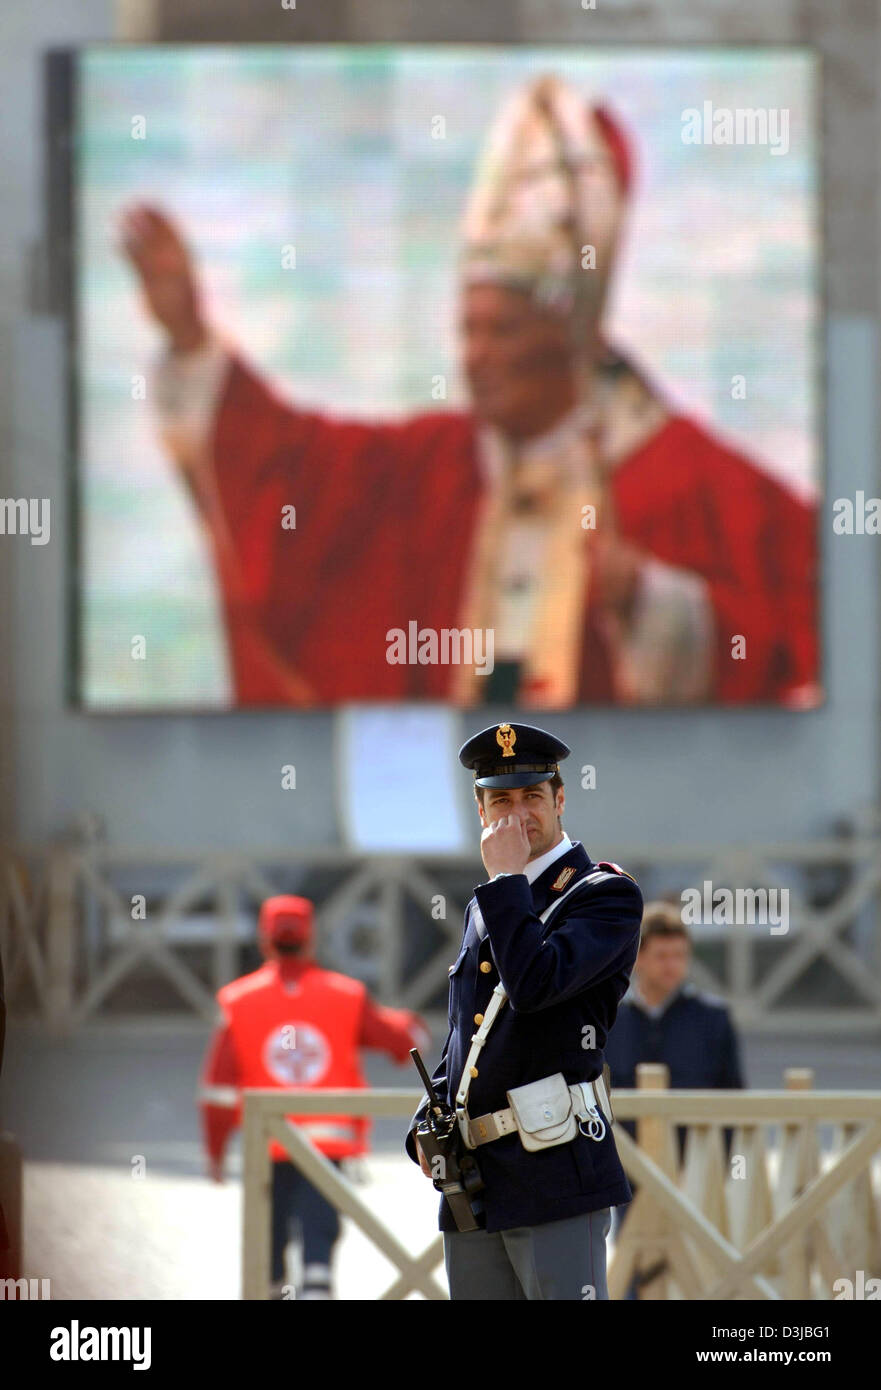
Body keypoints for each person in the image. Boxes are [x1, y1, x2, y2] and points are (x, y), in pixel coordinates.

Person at [119, 75, 818, 709]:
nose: (475, 358)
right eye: (467, 331)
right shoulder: (427, 467)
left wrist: (654, 606)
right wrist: (189, 339)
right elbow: (284, 467)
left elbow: (804, 644)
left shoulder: (687, 480)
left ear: (570, 342)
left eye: (502, 333)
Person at [405, 721, 643, 1300]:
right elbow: (471, 1027)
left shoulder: (601, 895)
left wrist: (507, 878)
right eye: (501, 801)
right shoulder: (491, 902)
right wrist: (428, 1114)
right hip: (477, 1179)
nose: (518, 817)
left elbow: (536, 985)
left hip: (555, 1166)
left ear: (560, 800)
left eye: (533, 797)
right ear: (480, 809)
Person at [199, 894, 429, 1299]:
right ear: (311, 939)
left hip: (266, 1146)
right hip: (329, 1142)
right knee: (319, 1226)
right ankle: (317, 1283)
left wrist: (216, 1153)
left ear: (265, 941)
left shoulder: (237, 1002)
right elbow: (400, 1044)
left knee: (269, 1235)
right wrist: (413, 1026)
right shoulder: (346, 994)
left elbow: (218, 1093)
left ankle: (271, 1285)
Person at [604, 901, 745, 1294]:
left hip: (695, 1167)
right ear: (639, 959)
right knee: (629, 1263)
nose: (672, 965)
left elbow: (733, 1096)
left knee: (699, 1272)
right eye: (661, 955)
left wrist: (722, 1164)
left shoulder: (712, 1018)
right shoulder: (607, 1017)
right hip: (624, 1170)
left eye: (680, 955)